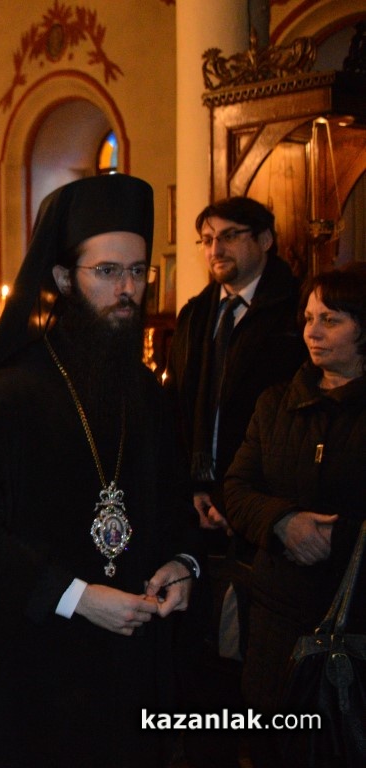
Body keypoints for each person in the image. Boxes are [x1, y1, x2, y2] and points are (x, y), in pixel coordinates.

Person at [0, 174, 199, 768]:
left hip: (133, 670)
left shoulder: (148, 394)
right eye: (107, 271)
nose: (127, 290)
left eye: (137, 272)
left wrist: (183, 565)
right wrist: (76, 596)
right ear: (64, 279)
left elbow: (176, 509)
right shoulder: (12, 394)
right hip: (40, 669)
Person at [164, 196, 306, 766]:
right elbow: (180, 408)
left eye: (229, 236)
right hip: (199, 505)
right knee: (204, 657)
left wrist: (236, 497)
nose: (214, 248)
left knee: (262, 663)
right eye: (206, 238)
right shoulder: (198, 313)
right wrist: (194, 487)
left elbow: (292, 421)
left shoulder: (295, 313)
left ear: (265, 240)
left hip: (265, 505)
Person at [224, 265, 366, 766]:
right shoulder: (276, 404)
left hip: (355, 618)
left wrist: (340, 539)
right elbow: (236, 489)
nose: (313, 332)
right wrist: (284, 522)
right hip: (277, 626)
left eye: (331, 319)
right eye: (308, 318)